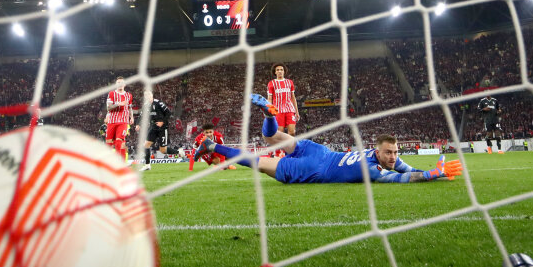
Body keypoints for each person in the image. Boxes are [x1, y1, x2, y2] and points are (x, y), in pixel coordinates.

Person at [193, 95, 463, 184]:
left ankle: (268, 115)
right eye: (390, 153)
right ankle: (212, 146)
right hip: (315, 168)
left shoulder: (378, 156)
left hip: (318, 151)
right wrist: (430, 175)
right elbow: (403, 178)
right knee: (259, 162)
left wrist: (432, 172)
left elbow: (406, 169)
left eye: (394, 153)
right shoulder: (372, 170)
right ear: (378, 152)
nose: (394, 157)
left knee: (271, 135)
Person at [140, 88, 173, 172]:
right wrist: (138, 124)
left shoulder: (159, 103)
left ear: (152, 95)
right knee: (146, 145)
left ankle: (178, 152)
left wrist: (162, 122)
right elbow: (141, 116)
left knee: (163, 150)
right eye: (145, 95)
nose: (147, 97)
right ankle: (147, 165)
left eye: (148, 95)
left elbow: (168, 113)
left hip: (162, 128)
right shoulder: (145, 105)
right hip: (153, 128)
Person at [268, 63, 299, 141]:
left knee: (292, 132)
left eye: (281, 70)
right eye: (277, 70)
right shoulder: (271, 83)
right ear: (275, 72)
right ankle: (280, 151)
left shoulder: (289, 82)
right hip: (278, 110)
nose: (280, 71)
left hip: (289, 109)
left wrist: (297, 111)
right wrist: (271, 111)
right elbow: (270, 98)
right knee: (280, 133)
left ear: (284, 71)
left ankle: (290, 149)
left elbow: (293, 97)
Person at [104, 76, 133, 160]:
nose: (120, 84)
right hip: (112, 121)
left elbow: (129, 107)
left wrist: (131, 117)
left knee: (119, 142)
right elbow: (108, 108)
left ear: (124, 84)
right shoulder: (112, 94)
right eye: (118, 83)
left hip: (123, 121)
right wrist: (118, 104)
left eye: (121, 83)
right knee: (109, 143)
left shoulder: (129, 95)